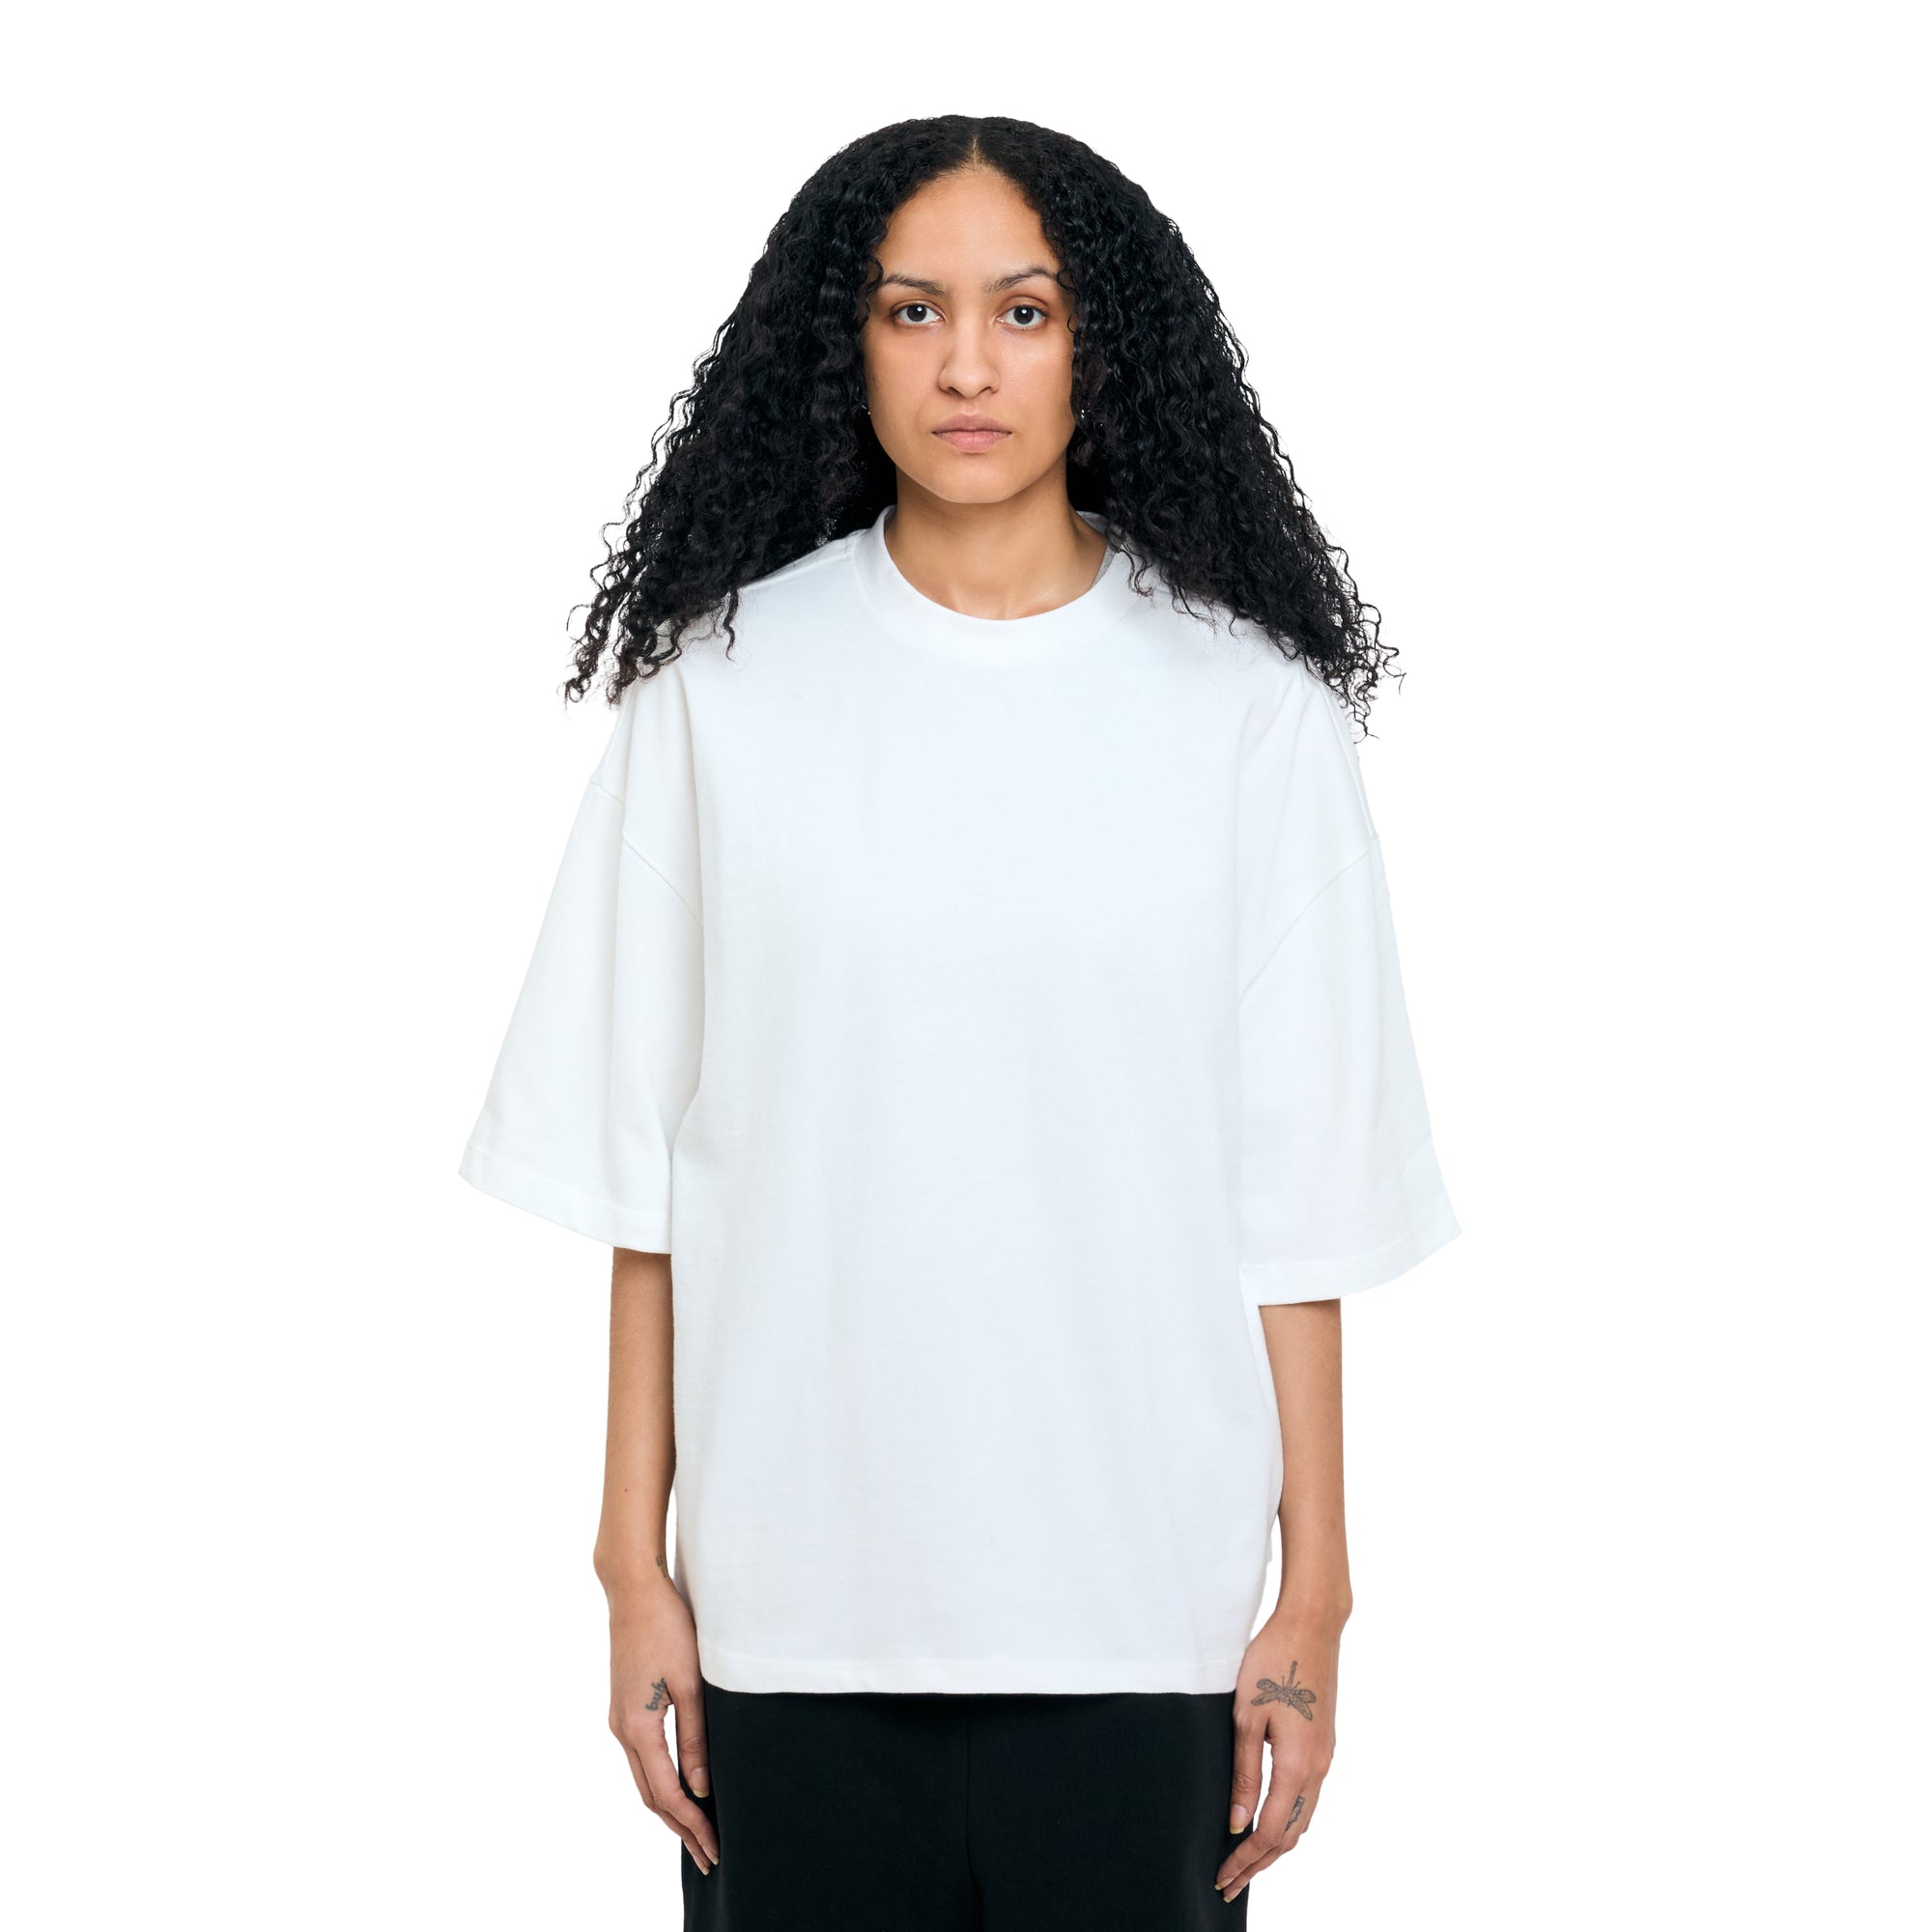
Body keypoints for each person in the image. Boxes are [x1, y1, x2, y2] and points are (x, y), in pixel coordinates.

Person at [457, 114, 1461, 1928]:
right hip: (791, 1626)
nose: (970, 366)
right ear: (843, 345)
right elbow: (647, 1183)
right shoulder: (722, 690)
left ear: (1103, 345)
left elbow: (1300, 1206)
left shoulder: (1249, 717)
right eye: (912, 311)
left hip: (1142, 1621)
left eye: (1025, 311)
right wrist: (631, 1567)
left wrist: (1313, 1599)